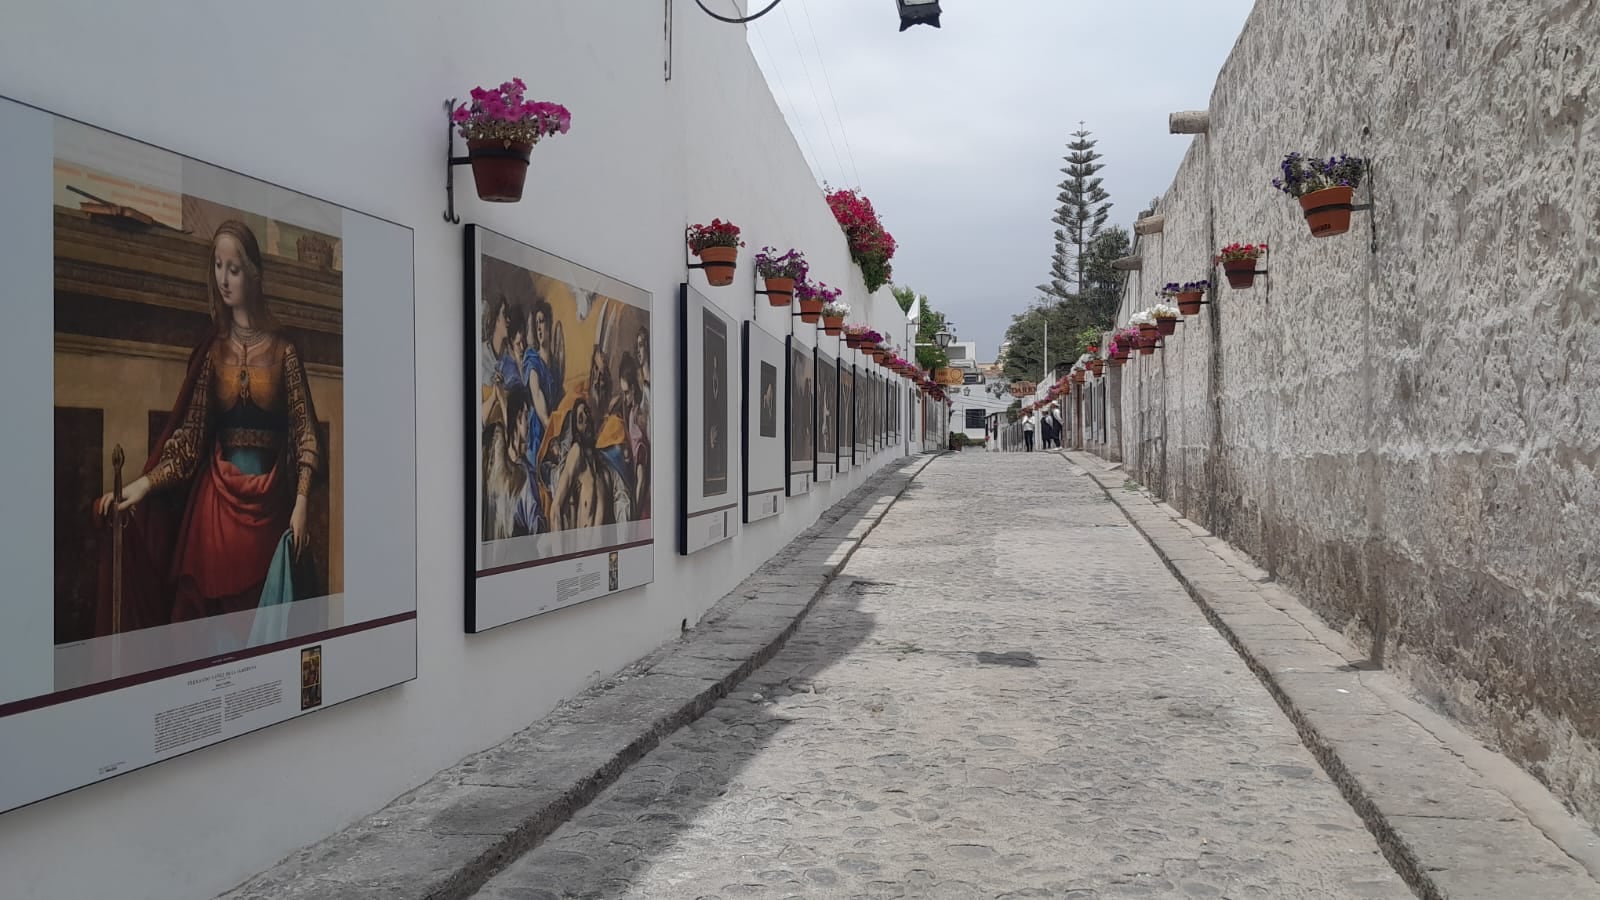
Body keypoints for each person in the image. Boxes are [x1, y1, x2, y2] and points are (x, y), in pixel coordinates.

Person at [95, 220, 322, 646]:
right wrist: (141, 486)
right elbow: (189, 441)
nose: (223, 278)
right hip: (214, 512)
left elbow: (305, 432)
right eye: (217, 266)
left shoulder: (283, 351)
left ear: (253, 273)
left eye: (233, 268)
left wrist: (303, 501)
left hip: (270, 509)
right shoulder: (214, 353)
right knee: (212, 635)